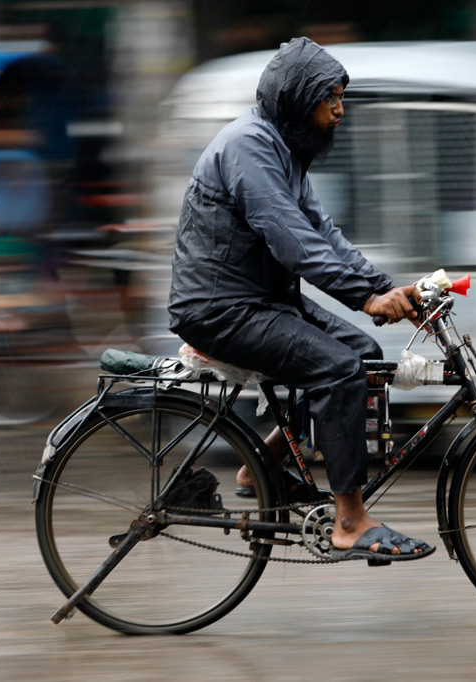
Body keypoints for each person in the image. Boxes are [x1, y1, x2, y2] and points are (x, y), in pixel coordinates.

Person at [168, 37, 434, 562]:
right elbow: (292, 240)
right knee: (336, 370)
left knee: (361, 357)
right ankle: (351, 522)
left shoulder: (286, 152)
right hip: (222, 307)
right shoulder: (248, 146)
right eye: (328, 98)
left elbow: (323, 233)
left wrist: (382, 288)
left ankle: (260, 466)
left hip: (260, 300)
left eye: (341, 97)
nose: (339, 111)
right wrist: (363, 296)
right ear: (294, 100)